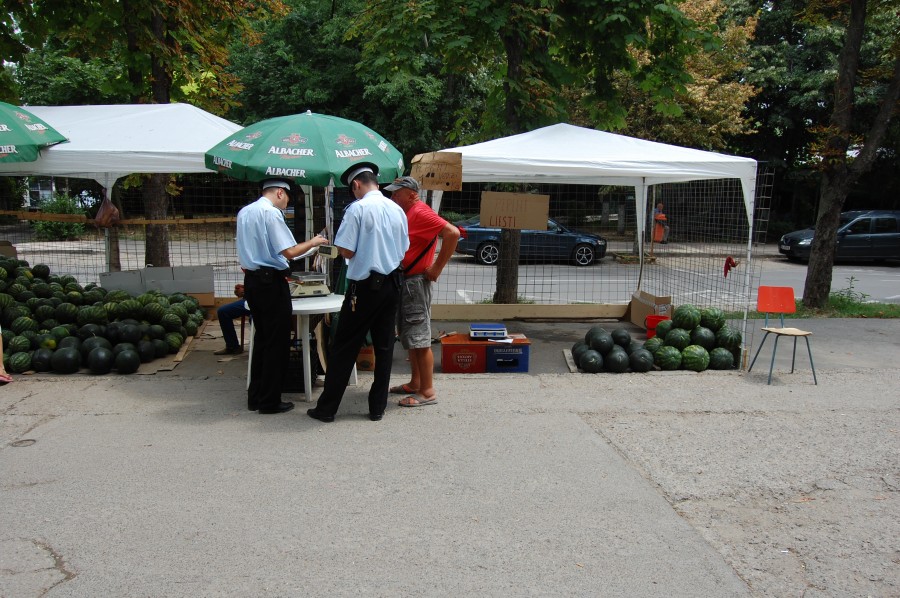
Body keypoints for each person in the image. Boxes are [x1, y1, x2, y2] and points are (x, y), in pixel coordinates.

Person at [307, 163, 408, 423]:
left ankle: (327, 409)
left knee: (344, 347)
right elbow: (404, 248)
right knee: (385, 347)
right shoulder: (397, 209)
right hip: (393, 284)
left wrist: (340, 248)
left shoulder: (357, 210)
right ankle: (377, 408)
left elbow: (347, 251)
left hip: (364, 288)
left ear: (356, 185)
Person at [237, 179, 328, 414]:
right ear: (279, 192)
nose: (286, 204)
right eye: (287, 199)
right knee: (277, 343)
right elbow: (288, 251)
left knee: (262, 341)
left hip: (253, 282)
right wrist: (315, 241)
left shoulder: (245, 212)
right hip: (270, 283)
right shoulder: (271, 214)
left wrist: (307, 248)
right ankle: (270, 401)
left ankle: (255, 397)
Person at [385, 176, 460, 407]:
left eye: (397, 193)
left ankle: (427, 392)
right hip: (410, 282)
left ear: (411, 193)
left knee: (419, 336)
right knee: (411, 336)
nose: (393, 197)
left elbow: (453, 233)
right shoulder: (411, 212)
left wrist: (436, 268)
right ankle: (416, 383)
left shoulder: (420, 211)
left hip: (416, 282)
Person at [214, 284, 251, 355]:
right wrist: (244, 289)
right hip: (249, 300)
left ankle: (263, 349)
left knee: (255, 319)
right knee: (223, 311)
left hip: (267, 301)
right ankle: (232, 346)